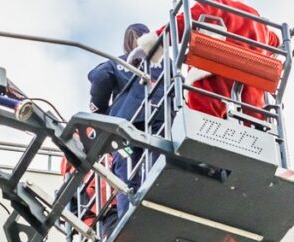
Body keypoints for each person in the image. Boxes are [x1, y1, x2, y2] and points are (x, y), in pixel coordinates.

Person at [133, 0, 281, 123]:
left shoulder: (212, 5)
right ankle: (254, 126)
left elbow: (182, 23)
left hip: (213, 80)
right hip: (250, 95)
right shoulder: (256, 18)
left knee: (204, 105)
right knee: (251, 102)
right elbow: (275, 42)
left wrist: (151, 44)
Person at [87, 23, 162, 218]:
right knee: (159, 164)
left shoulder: (117, 63)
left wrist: (101, 109)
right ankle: (159, 202)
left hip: (127, 126)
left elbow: (99, 76)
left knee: (127, 174)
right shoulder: (166, 63)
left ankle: (127, 217)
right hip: (162, 120)